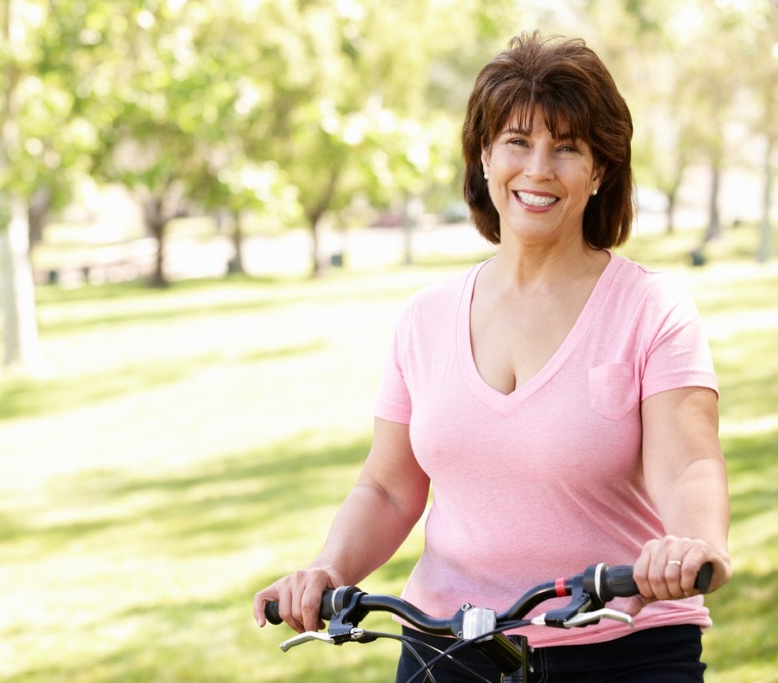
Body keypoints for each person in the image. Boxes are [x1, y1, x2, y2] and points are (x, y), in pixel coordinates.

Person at [253, 31, 731, 682]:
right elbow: (389, 487)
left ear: (600, 171)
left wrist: (693, 543)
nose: (538, 169)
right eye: (517, 141)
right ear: (483, 156)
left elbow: (688, 462)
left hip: (623, 647)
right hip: (447, 650)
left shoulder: (650, 309)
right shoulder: (426, 318)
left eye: (566, 148)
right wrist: (329, 568)